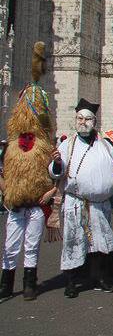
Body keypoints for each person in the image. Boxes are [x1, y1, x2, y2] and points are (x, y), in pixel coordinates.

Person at [49, 99, 113, 298]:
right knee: (74, 241)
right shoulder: (68, 145)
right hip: (76, 203)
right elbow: (57, 172)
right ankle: (72, 281)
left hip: (100, 205)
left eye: (87, 119)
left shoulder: (105, 145)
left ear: (94, 122)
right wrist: (57, 163)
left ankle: (99, 277)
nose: (83, 122)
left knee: (99, 242)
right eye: (79, 118)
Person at [0, 42, 56, 302]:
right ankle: (6, 283)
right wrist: (6, 191)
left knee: (31, 245)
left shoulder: (45, 146)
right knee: (11, 246)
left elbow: (56, 173)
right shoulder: (11, 146)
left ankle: (30, 282)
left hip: (35, 204)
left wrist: (50, 191)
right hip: (16, 205)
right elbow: (3, 172)